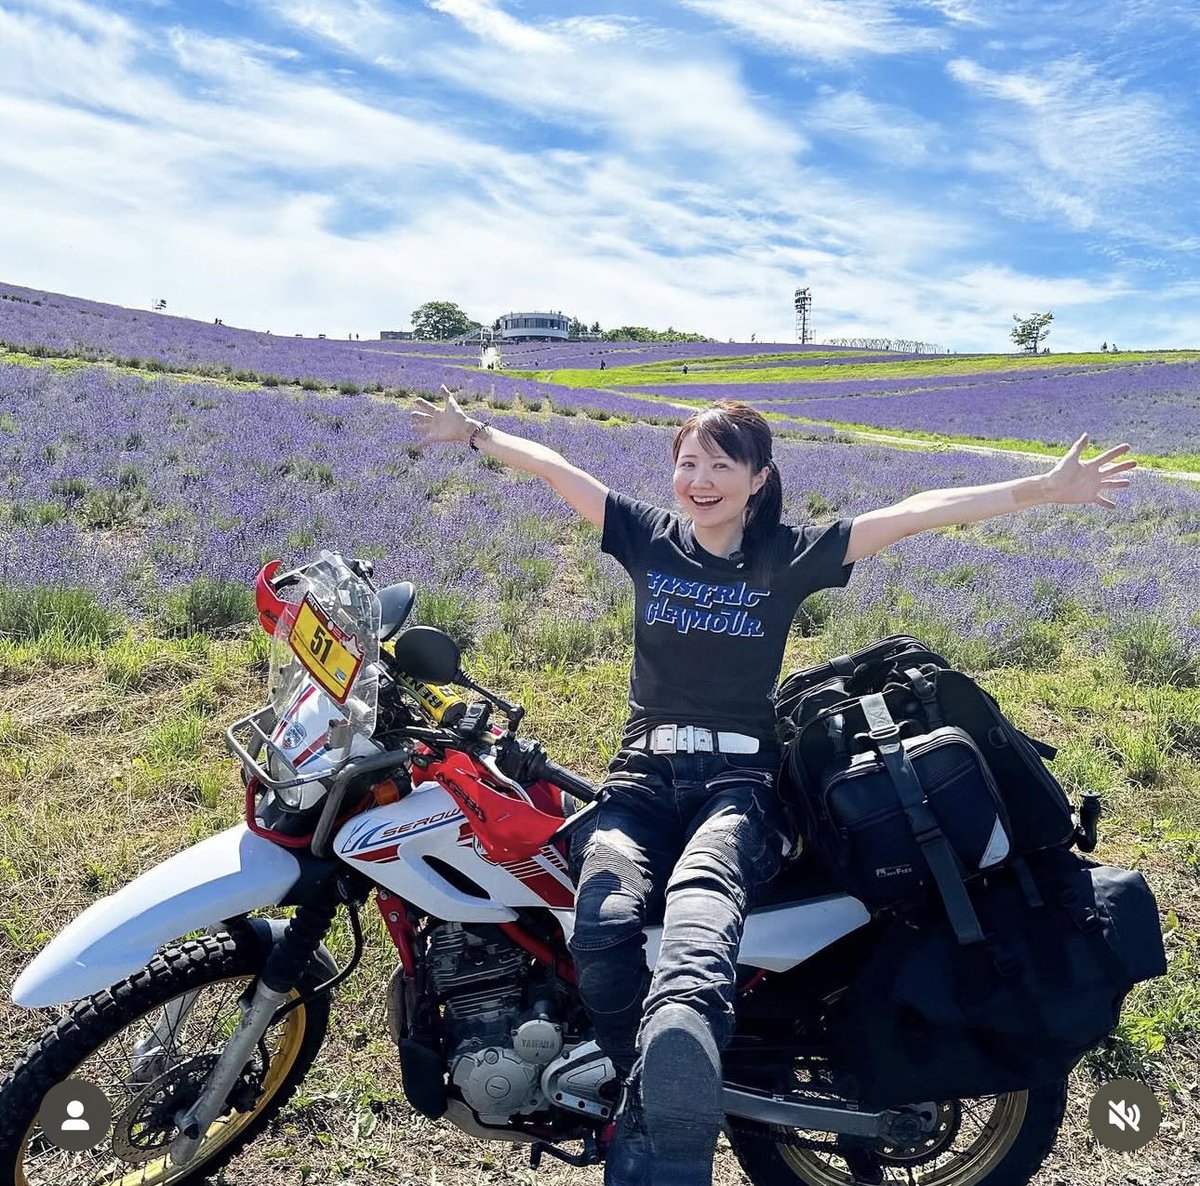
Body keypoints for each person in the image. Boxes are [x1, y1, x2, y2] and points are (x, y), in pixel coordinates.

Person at [411, 390, 1134, 1186]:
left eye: (721, 463)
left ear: (758, 478)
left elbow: (913, 513)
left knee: (700, 908)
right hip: (641, 781)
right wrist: (472, 432)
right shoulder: (647, 537)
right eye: (688, 461)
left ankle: (674, 1113)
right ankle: (647, 1104)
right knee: (604, 919)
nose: (699, 478)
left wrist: (1041, 487)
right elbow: (556, 468)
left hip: (739, 786)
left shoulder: (788, 555)